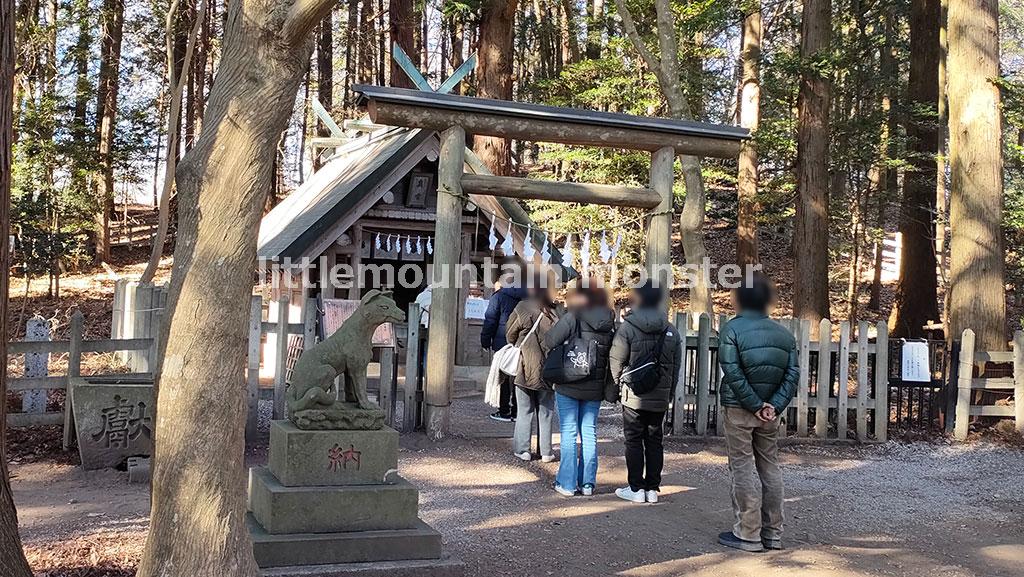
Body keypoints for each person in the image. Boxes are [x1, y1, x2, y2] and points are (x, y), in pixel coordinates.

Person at [716, 273, 799, 552]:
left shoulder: (732, 329)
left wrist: (754, 404)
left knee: (741, 465)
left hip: (740, 408)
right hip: (770, 414)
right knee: (770, 467)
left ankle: (748, 532)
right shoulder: (785, 335)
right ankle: (773, 533)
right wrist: (773, 405)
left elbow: (732, 371)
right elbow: (792, 375)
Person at [609, 282, 681, 504]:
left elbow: (616, 361)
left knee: (633, 440)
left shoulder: (628, 328)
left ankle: (636, 487)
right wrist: (668, 394)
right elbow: (676, 367)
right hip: (659, 396)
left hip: (634, 395)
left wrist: (617, 389)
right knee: (654, 440)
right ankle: (652, 488)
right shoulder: (671, 330)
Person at [543, 279, 616, 497]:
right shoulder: (609, 323)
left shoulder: (573, 316)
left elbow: (550, 340)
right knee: (589, 433)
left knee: (568, 432)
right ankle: (587, 484)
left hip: (569, 382)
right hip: (594, 387)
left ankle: (566, 483)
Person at [505, 284, 559, 462]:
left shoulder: (522, 307)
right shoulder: (555, 312)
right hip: (548, 369)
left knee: (524, 410)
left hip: (525, 367)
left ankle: (523, 450)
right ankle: (546, 452)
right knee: (546, 411)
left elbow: (510, 334)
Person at [481, 259, 527, 421]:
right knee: (519, 377)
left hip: (502, 343)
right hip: (522, 343)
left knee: (503, 376)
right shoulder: (528, 297)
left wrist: (485, 341)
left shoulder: (498, 297)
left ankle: (504, 410)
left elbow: (490, 321)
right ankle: (517, 411)